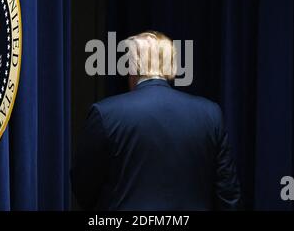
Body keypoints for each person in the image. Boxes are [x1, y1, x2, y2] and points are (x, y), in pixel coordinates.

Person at [71, 31, 241, 210]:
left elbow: (83, 185)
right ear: (171, 66)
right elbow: (228, 192)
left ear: (132, 67)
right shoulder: (210, 114)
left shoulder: (105, 113)